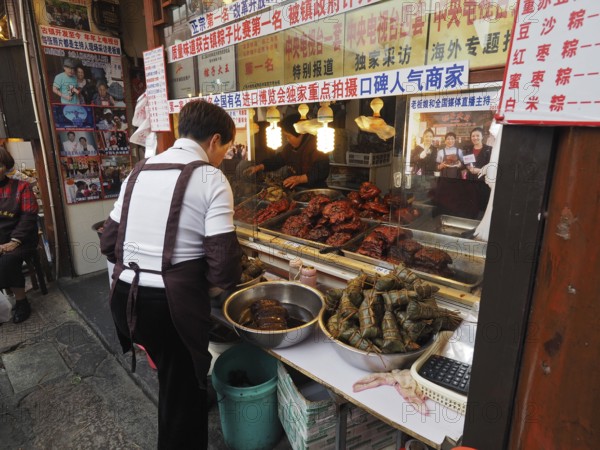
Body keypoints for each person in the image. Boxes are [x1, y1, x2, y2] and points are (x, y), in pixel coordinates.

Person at [99, 100, 242, 449]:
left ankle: (194, 388)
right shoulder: (211, 176)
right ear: (215, 140)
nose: (225, 155)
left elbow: (108, 242)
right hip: (169, 308)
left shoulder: (140, 169)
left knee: (175, 375)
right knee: (181, 405)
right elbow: (224, 267)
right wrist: (206, 285)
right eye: (227, 148)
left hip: (124, 300)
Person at [0, 147, 39, 324]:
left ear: (5, 166)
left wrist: (15, 241)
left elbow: (28, 216)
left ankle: (21, 302)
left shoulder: (21, 187)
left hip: (22, 239)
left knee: (8, 260)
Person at [244, 113, 330, 189]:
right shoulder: (289, 148)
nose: (287, 140)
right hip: (297, 189)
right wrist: (259, 167)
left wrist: (300, 179)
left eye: (289, 136)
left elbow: (322, 170)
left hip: (315, 190)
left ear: (300, 134)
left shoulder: (317, 146)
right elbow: (278, 160)